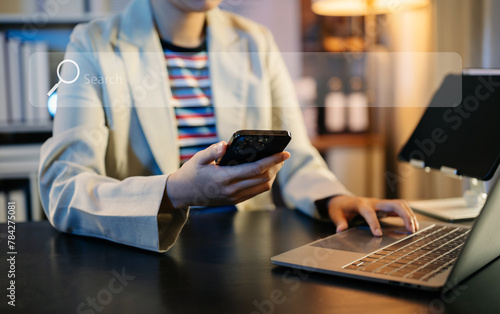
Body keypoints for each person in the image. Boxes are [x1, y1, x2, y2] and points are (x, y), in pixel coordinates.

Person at [39, 0, 419, 252]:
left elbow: (297, 155)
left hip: (250, 255)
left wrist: (334, 198)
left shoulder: (255, 41)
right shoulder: (93, 44)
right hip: (141, 262)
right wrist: (174, 192)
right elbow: (64, 187)